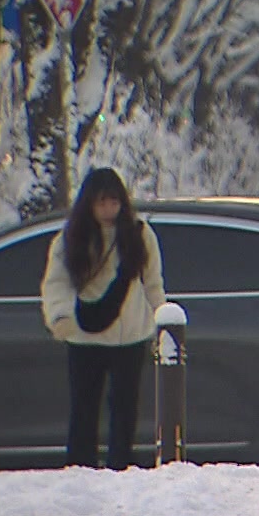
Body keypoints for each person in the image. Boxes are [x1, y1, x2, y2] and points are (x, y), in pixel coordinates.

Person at [40, 167, 166, 470]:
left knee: (125, 411)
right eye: (101, 203)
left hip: (130, 335)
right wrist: (60, 317)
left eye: (114, 202)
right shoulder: (71, 238)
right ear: (89, 204)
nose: (108, 210)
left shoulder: (138, 234)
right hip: (84, 335)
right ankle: (81, 470)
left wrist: (162, 321)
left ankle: (121, 468)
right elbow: (56, 283)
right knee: (84, 410)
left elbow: (153, 282)